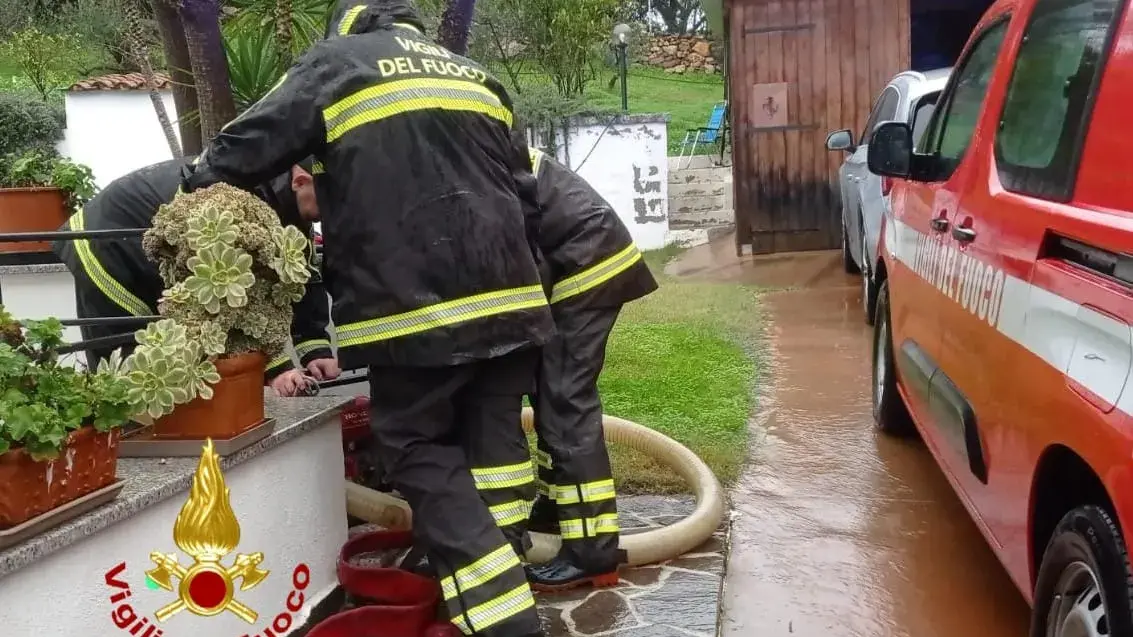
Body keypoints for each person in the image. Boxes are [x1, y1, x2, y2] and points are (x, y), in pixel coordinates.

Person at [179, 2, 553, 636]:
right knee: (495, 453)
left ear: (344, 23)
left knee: (414, 446)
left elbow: (248, 145)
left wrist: (195, 183)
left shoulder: (336, 64)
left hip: (415, 311)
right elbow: (524, 186)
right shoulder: (473, 74)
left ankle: (504, 615)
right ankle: (477, 578)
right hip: (512, 300)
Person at [52, 157, 340, 396]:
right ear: (299, 180)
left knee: (166, 352)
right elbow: (229, 293)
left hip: (154, 247)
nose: (333, 210)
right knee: (128, 359)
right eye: (329, 198)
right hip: (105, 242)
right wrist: (276, 367)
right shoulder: (239, 196)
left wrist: (315, 349)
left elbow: (301, 275)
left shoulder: (289, 206)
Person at [518, 144, 658, 591]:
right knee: (546, 392)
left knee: (563, 402)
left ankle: (591, 552)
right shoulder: (474, 142)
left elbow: (522, 255)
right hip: (578, 254)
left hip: (587, 261)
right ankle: (559, 508)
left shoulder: (468, 157)